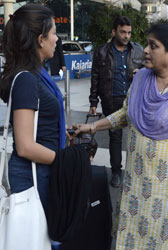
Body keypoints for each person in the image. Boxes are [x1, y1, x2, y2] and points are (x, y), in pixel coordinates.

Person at [73, 23, 168, 249]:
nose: (146, 51)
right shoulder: (141, 78)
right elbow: (125, 113)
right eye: (147, 44)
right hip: (137, 189)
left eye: (153, 46)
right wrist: (92, 128)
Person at [0, 3, 66, 250]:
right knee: (33, 241)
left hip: (44, 172)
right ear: (40, 39)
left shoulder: (38, 72)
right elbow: (26, 146)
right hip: (33, 178)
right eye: (54, 33)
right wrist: (66, 160)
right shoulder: (27, 79)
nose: (57, 39)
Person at [89, 16, 144, 188]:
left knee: (138, 136)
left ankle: (137, 173)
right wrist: (93, 101)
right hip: (111, 98)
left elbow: (148, 72)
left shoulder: (138, 50)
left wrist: (139, 75)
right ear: (114, 32)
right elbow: (95, 77)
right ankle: (116, 172)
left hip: (134, 99)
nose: (126, 36)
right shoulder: (102, 52)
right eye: (123, 32)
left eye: (129, 32)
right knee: (115, 137)